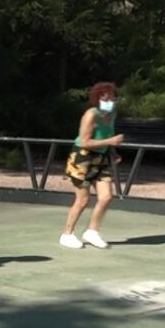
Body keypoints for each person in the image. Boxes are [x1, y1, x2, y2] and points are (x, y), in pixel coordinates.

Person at [60, 82, 124, 249]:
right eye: (106, 98)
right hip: (82, 158)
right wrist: (111, 141)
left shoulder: (112, 114)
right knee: (83, 200)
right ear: (98, 98)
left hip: (101, 158)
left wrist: (112, 151)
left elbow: (107, 134)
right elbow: (84, 142)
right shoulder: (90, 115)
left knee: (106, 196)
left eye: (113, 98)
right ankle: (67, 234)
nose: (110, 102)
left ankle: (92, 231)